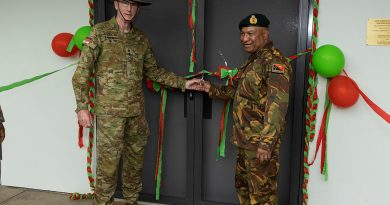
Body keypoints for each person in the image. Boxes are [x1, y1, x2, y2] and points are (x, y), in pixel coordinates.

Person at [71, 0, 201, 204]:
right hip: (110, 117)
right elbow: (81, 74)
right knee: (108, 168)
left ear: (139, 8)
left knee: (134, 167)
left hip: (136, 116)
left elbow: (154, 71)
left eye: (134, 4)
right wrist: (82, 108)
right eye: (125, 2)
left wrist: (184, 83)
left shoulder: (140, 39)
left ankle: (131, 201)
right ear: (116, 4)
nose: (129, 8)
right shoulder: (100, 32)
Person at [201, 13, 292, 205]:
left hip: (260, 145)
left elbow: (277, 106)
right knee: (243, 189)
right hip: (245, 142)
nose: (244, 39)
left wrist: (266, 143)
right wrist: (212, 90)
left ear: (265, 34)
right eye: (242, 34)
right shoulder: (252, 61)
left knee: (262, 196)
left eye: (250, 33)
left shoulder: (275, 63)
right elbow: (236, 93)